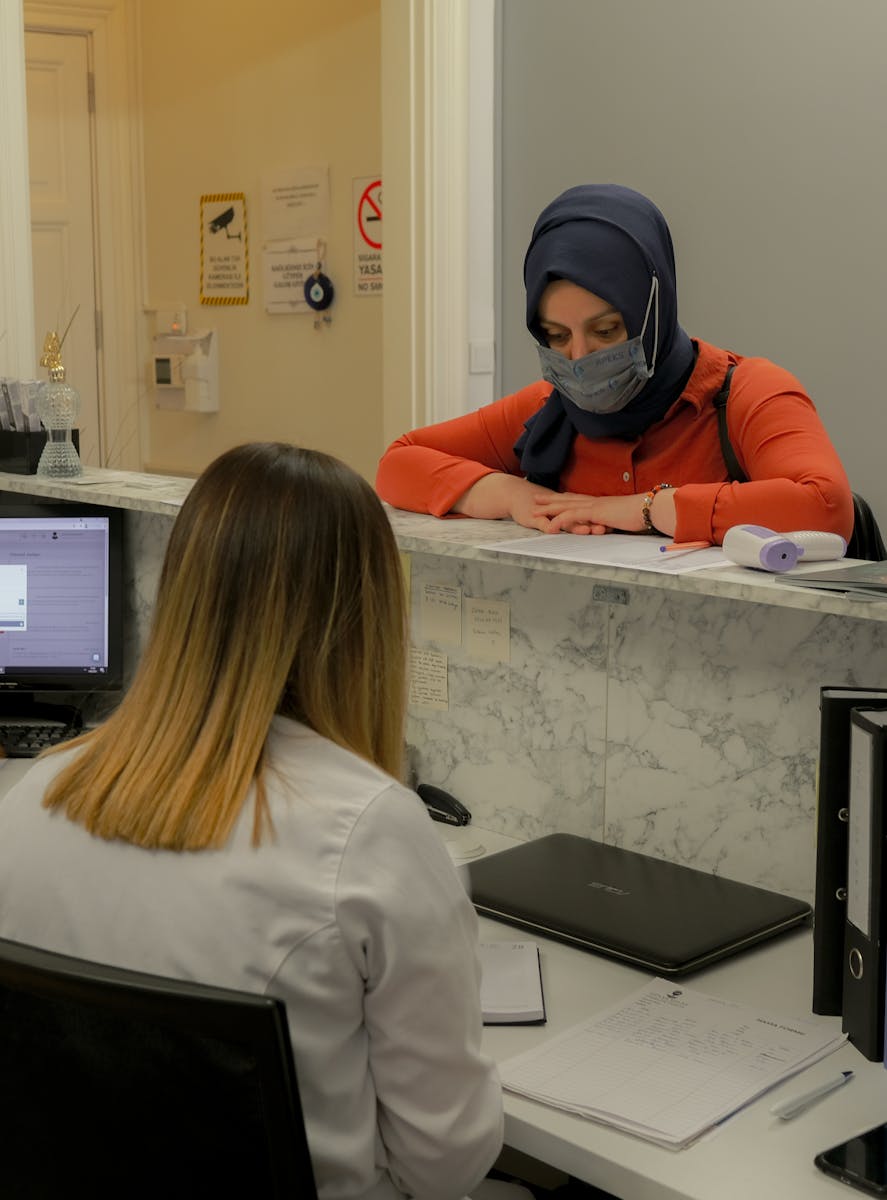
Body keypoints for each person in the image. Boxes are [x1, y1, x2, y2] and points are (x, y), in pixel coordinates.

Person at [0, 443, 506, 1200]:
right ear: (366, 617)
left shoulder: (40, 793)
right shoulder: (368, 831)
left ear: (182, 592)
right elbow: (444, 1164)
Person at [376, 184, 853, 546]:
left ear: (654, 309)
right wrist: (511, 496)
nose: (580, 360)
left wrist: (647, 509)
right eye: (556, 337)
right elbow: (398, 464)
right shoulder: (548, 411)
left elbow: (826, 506)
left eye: (605, 331)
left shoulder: (746, 393)